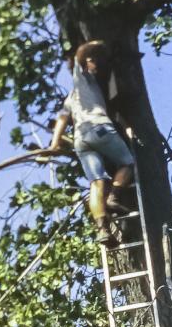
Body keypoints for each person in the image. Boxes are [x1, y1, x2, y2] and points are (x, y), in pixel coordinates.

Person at [46, 40, 136, 246]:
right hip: (99, 128)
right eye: (91, 61)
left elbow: (62, 119)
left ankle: (102, 229)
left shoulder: (70, 98)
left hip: (81, 140)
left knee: (96, 182)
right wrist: (97, 46)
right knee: (127, 162)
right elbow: (80, 55)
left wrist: (54, 144)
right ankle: (114, 196)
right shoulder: (83, 78)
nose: (94, 64)